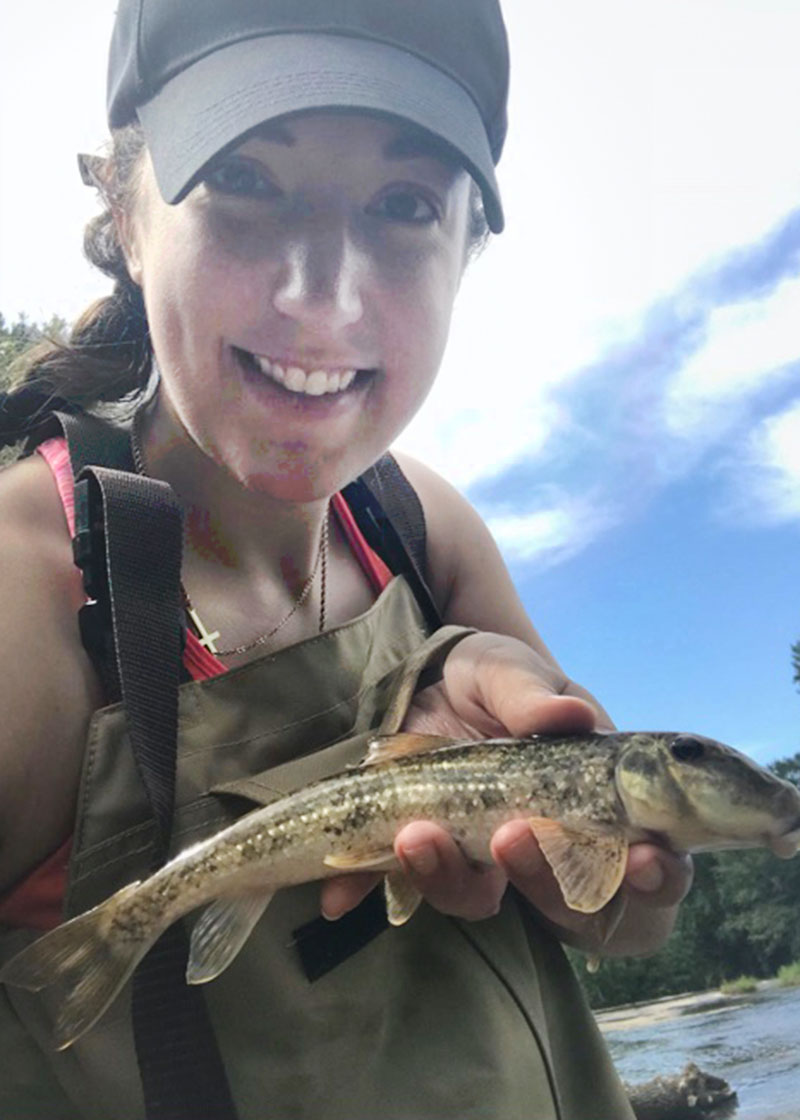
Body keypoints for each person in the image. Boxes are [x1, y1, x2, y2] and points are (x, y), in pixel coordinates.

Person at [0, 2, 692, 1117]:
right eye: (247, 180)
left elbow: (626, 919)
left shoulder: (427, 529)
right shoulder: (25, 587)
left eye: (404, 204)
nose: (318, 296)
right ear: (128, 217)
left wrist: (597, 879)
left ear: (467, 248)